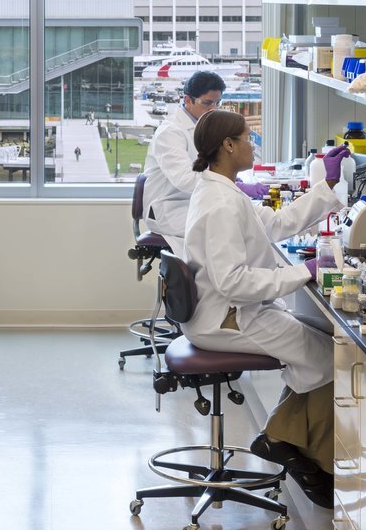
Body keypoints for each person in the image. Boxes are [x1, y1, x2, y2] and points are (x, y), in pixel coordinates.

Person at [182, 109, 351, 509]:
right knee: (335, 357)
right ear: (228, 145)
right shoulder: (220, 203)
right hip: (229, 316)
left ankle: (281, 438)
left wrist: (326, 185)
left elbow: (274, 224)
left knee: (326, 339)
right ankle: (296, 448)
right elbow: (233, 281)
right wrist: (304, 271)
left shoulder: (223, 190)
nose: (253, 145)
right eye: (248, 138)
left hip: (235, 309)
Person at [141, 71, 268, 253]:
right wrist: (234, 186)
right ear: (188, 100)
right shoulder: (170, 133)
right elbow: (185, 179)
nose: (213, 109)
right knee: (230, 227)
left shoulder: (204, 127)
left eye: (217, 103)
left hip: (196, 202)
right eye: (207, 103)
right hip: (171, 208)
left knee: (241, 221)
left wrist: (233, 181)